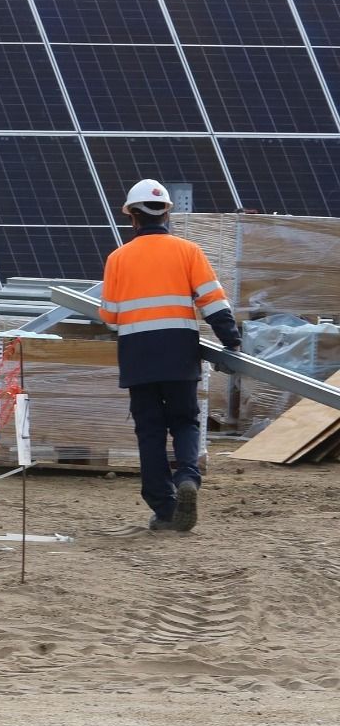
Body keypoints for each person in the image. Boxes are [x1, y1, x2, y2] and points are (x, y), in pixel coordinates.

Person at [100, 179, 241, 533]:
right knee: (185, 421)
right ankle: (188, 477)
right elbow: (213, 301)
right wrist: (231, 342)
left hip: (137, 354)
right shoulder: (188, 251)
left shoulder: (117, 258)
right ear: (166, 214)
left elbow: (110, 315)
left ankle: (164, 509)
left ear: (132, 217)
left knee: (149, 431)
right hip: (179, 350)